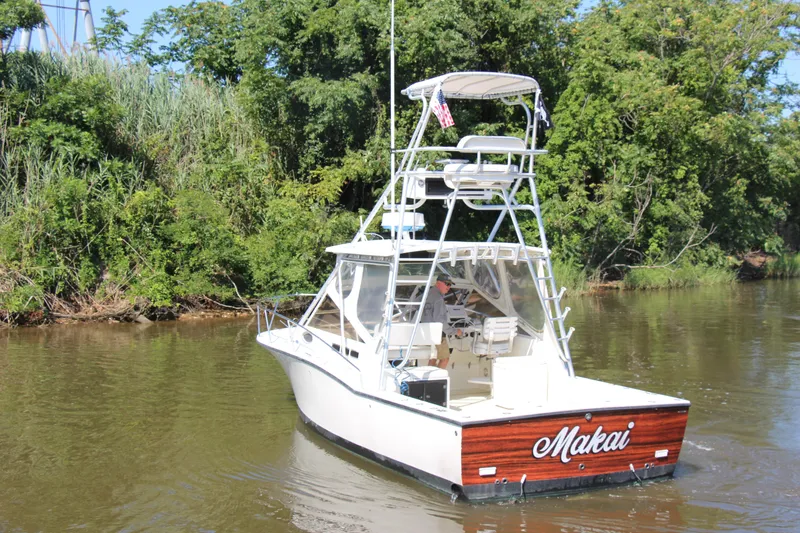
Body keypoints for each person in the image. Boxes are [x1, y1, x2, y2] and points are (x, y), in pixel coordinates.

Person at [420, 275, 461, 369]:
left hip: (426, 332)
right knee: (445, 359)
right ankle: (435, 380)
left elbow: (415, 304)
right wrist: (455, 331)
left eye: (450, 285)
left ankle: (430, 381)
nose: (449, 287)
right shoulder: (438, 298)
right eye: (447, 284)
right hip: (436, 334)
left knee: (433, 358)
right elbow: (440, 320)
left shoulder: (427, 293)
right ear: (438, 283)